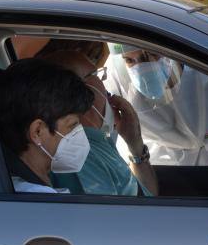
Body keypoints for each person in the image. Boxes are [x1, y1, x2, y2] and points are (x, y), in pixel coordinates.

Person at [106, 45, 208, 166]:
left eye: (151, 55)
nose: (142, 68)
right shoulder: (118, 79)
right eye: (130, 60)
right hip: (153, 171)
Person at [40, 49, 159, 196]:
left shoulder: (99, 141)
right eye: (98, 76)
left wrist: (134, 144)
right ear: (84, 88)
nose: (105, 87)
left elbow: (148, 197)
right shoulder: (79, 155)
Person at [0, 57, 94, 193]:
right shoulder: (39, 201)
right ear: (37, 132)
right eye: (72, 125)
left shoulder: (14, 188)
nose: (80, 133)